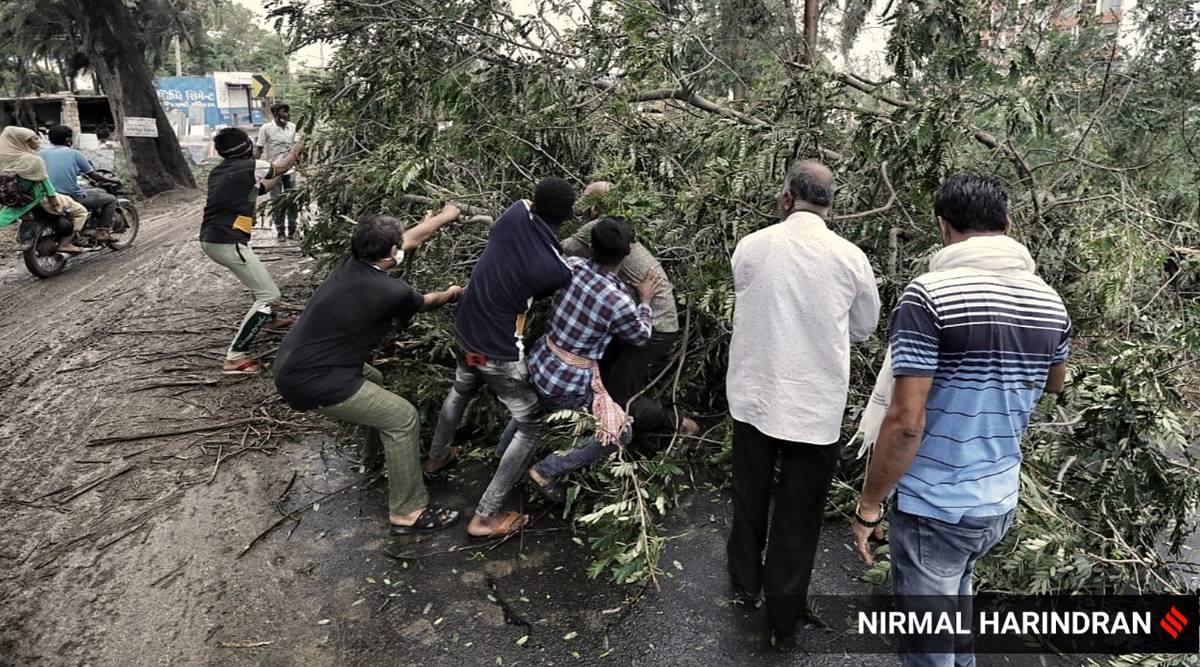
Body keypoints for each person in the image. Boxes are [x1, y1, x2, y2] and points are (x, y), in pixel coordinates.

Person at [851, 174, 1070, 667]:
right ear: (1008, 225)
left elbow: (906, 420)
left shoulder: (930, 294)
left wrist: (869, 504)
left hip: (937, 504)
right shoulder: (1049, 301)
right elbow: (1055, 383)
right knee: (958, 618)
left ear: (942, 226)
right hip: (997, 499)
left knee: (927, 648)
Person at [725, 160, 881, 642]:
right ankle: (783, 617)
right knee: (800, 510)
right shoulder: (850, 258)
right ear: (830, 202)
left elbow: (744, 291)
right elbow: (864, 328)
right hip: (815, 406)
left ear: (786, 198)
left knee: (750, 495)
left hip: (754, 396)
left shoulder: (752, 246)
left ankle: (745, 583)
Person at [274, 215, 465, 534]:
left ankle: (374, 460)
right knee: (402, 418)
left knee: (374, 379)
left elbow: (410, 238)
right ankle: (408, 511)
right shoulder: (392, 291)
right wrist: (454, 292)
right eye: (398, 246)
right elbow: (429, 302)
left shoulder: (350, 263)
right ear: (391, 252)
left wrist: (446, 215)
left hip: (297, 363)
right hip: (315, 379)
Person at [423, 177, 577, 538]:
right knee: (529, 424)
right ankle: (486, 516)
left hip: (467, 340)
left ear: (535, 202)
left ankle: (437, 456)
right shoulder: (556, 271)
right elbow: (550, 279)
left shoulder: (513, 213)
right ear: (567, 216)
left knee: (461, 389)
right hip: (498, 356)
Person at [521, 217, 661, 501]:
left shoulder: (570, 266)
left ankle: (505, 452)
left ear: (591, 246)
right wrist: (645, 301)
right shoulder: (619, 300)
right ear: (627, 254)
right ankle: (546, 470)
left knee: (531, 410)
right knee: (620, 433)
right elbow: (640, 337)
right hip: (568, 383)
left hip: (539, 361)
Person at [563, 182, 698, 450]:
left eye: (586, 201)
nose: (580, 206)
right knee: (604, 373)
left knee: (619, 390)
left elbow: (561, 249)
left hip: (655, 326)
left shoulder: (598, 231)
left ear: (597, 207)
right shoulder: (624, 228)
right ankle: (611, 426)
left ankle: (675, 424)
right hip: (643, 317)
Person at [200, 127, 304, 375]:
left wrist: (282, 169)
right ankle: (235, 357)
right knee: (268, 295)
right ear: (245, 146)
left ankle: (270, 320)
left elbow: (263, 187)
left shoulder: (222, 171)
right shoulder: (249, 165)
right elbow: (279, 168)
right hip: (226, 240)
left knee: (259, 285)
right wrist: (296, 149)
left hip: (216, 238)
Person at [0, 126, 88, 254]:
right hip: (37, 198)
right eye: (34, 139)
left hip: (13, 198)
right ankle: (66, 243)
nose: (38, 141)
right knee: (81, 211)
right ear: (23, 142)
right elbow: (47, 186)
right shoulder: (33, 160)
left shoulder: (4, 160)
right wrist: (55, 203)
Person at [40, 125, 120, 242]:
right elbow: (92, 174)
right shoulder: (74, 154)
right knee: (110, 199)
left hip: (47, 197)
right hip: (70, 197)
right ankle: (103, 231)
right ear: (68, 140)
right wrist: (112, 180)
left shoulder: (40, 154)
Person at [255, 102, 301, 240]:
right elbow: (259, 148)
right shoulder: (266, 129)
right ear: (275, 114)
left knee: (292, 199)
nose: (287, 115)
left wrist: (301, 165)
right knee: (276, 201)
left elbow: (297, 148)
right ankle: (280, 230)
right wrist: (253, 166)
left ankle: (292, 229)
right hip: (273, 171)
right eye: (283, 112)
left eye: (288, 112)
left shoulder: (292, 127)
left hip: (290, 170)